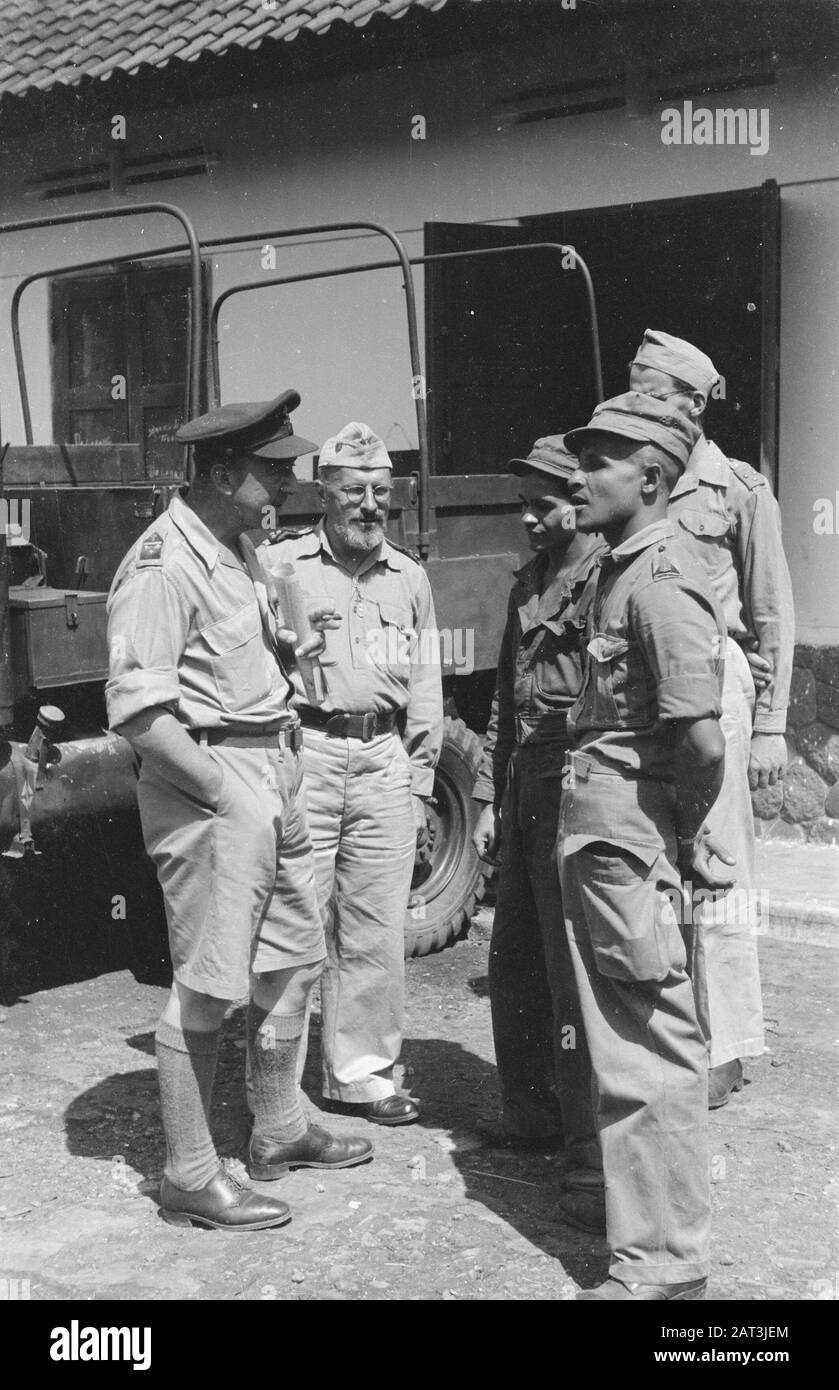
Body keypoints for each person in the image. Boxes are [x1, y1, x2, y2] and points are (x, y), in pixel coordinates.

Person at [106, 391, 372, 1232]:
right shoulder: (162, 563)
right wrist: (225, 793)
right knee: (210, 983)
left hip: (272, 766)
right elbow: (138, 710)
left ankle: (279, 1127)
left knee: (291, 958)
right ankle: (189, 1173)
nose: (287, 483)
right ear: (223, 471)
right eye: (273, 469)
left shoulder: (237, 547)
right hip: (216, 780)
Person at [558, 391, 730, 1301]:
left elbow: (700, 741)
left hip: (630, 844)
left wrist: (680, 831)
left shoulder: (661, 578)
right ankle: (648, 1230)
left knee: (647, 1052)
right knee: (621, 1043)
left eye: (598, 463)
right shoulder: (617, 568)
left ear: (653, 478)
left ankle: (664, 1269)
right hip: (608, 840)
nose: (577, 477)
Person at [260, 422, 443, 1127]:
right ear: (323, 495)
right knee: (295, 920)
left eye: (380, 493)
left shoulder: (410, 578)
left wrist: (420, 780)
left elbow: (426, 683)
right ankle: (278, 1084)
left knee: (372, 925)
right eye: (353, 492)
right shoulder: (282, 568)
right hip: (306, 752)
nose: (369, 506)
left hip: (383, 761)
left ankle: (360, 1074)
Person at [629, 329, 794, 1107]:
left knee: (721, 870)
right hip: (645, 694)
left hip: (717, 695)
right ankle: (668, 1032)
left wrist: (770, 725)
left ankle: (723, 1047)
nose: (639, 403)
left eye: (653, 392)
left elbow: (770, 612)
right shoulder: (633, 474)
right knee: (658, 864)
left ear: (693, 404)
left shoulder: (736, 489)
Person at [470, 435, 604, 1185]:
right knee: (514, 954)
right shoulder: (527, 584)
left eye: (541, 506)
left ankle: (586, 1148)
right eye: (522, 505)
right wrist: (489, 798)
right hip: (523, 784)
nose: (527, 519)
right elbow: (501, 701)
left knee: (569, 969)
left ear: (577, 501)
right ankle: (529, 1114)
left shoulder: (600, 583)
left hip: (570, 787)